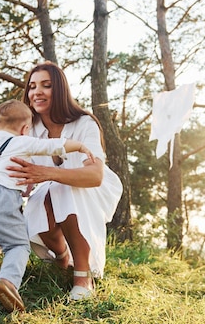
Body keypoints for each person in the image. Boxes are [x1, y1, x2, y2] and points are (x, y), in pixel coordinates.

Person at [0, 99, 95, 312]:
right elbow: (52, 145)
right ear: (25, 129)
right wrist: (78, 145)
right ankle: (8, 281)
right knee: (17, 246)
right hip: (2, 202)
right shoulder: (22, 142)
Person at [7, 61, 123, 301]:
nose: (36, 92)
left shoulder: (84, 123)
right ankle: (62, 258)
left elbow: (95, 176)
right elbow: (16, 164)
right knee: (37, 206)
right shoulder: (29, 128)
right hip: (52, 188)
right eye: (32, 87)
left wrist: (47, 174)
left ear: (59, 90)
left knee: (65, 191)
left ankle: (83, 277)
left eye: (46, 86)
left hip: (92, 188)